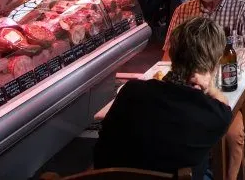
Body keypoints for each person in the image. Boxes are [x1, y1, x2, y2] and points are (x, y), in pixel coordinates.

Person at [162, 0, 245, 180]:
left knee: (234, 134)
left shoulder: (242, 7)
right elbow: (168, 57)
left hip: (228, 91)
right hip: (190, 91)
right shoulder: (183, 10)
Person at [94, 17, 233, 180]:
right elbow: (224, 105)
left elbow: (101, 149)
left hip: (108, 176)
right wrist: (210, 88)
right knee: (206, 165)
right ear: (215, 63)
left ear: (172, 55)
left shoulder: (131, 90)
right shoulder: (216, 114)